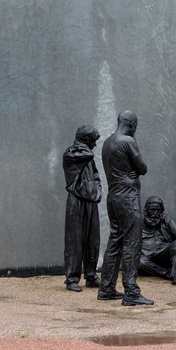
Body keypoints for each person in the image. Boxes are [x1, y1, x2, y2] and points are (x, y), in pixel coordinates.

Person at [98, 110, 153, 306]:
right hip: (128, 198)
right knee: (132, 242)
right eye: (135, 125)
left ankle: (106, 288)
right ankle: (131, 291)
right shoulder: (127, 141)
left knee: (115, 240)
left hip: (113, 197)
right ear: (132, 124)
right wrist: (134, 139)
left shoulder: (107, 142)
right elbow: (143, 168)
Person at [62, 125, 102, 292]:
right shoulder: (72, 153)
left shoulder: (86, 156)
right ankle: (72, 278)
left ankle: (91, 275)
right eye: (93, 140)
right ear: (85, 140)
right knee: (74, 240)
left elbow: (95, 175)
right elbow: (88, 153)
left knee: (93, 239)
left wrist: (97, 190)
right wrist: (83, 144)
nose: (95, 145)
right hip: (76, 200)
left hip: (90, 199)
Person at [139, 196, 176, 285]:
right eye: (152, 210)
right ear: (146, 210)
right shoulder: (139, 220)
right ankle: (168, 273)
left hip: (163, 253)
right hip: (146, 255)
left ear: (161, 210)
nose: (155, 213)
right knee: (139, 262)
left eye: (158, 210)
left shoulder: (165, 219)